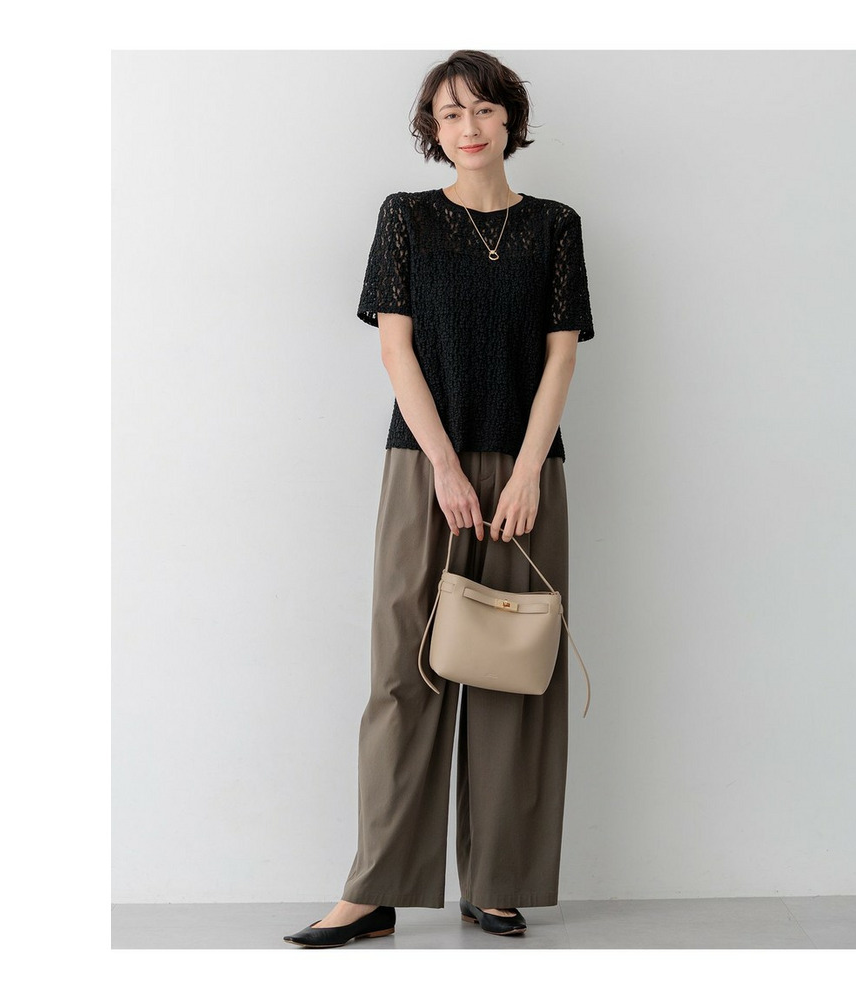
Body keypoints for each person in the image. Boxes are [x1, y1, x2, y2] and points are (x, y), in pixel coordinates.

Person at [284, 49, 596, 948]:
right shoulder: (407, 218)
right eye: (450, 113)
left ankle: (496, 882)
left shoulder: (555, 226)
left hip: (529, 470)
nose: (469, 126)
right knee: (404, 670)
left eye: (484, 109)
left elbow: (562, 355)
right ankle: (374, 889)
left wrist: (527, 472)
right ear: (432, 128)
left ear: (510, 120)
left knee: (511, 669)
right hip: (424, 467)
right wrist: (448, 470)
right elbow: (396, 350)